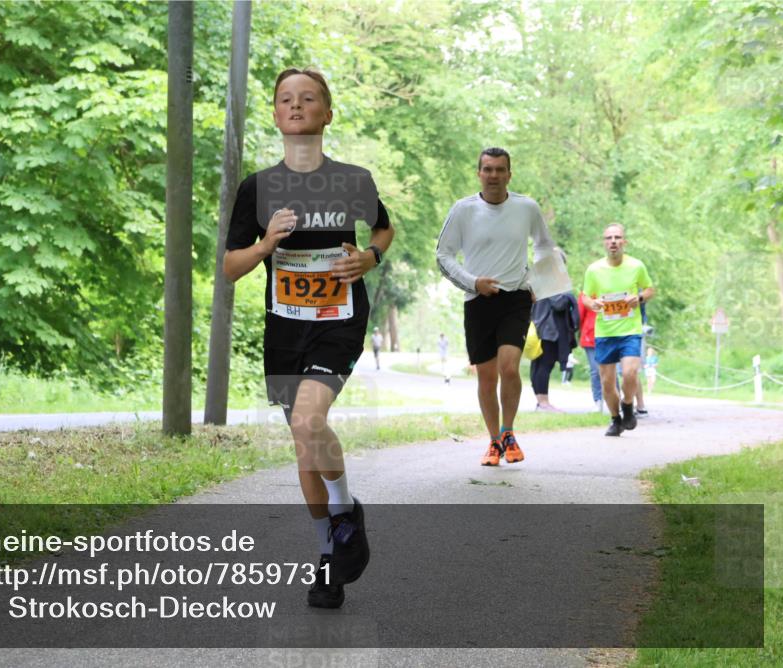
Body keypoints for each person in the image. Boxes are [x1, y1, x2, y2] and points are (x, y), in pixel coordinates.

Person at [223, 68, 394, 608]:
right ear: (275, 114)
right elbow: (230, 267)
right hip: (285, 327)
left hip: (338, 319)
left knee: (308, 420)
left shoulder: (352, 180)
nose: (296, 106)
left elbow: (382, 229)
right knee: (304, 446)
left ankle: (346, 517)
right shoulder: (257, 187)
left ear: (326, 112)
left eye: (309, 98)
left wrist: (372, 255)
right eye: (285, 100)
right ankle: (329, 555)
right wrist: (266, 243)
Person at [436, 147, 556, 466]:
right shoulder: (463, 210)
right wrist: (473, 282)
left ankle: (508, 432)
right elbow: (443, 256)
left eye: (500, 170)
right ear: (479, 173)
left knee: (509, 367)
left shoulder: (526, 207)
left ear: (509, 175)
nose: (493, 176)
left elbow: (546, 247)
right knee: (486, 378)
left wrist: (535, 283)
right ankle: (493, 442)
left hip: (515, 297)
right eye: (487, 169)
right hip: (478, 301)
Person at [581, 224, 655, 437]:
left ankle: (628, 405)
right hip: (605, 331)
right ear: (604, 243)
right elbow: (586, 296)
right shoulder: (594, 269)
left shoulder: (636, 266)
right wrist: (592, 304)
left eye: (617, 237)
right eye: (609, 238)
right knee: (607, 381)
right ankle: (616, 419)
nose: (613, 241)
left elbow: (649, 289)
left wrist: (638, 298)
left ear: (624, 242)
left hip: (630, 329)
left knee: (631, 372)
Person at [529, 290, 579, 412]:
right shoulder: (550, 286)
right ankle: (543, 403)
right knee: (544, 366)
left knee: (538, 366)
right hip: (548, 332)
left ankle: (541, 402)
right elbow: (559, 304)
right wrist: (569, 295)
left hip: (538, 329)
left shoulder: (536, 283)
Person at [577, 290, 605, 412]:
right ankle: (598, 401)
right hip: (590, 336)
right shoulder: (586, 293)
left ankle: (617, 400)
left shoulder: (612, 288)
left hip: (609, 334)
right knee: (595, 370)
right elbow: (579, 315)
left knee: (610, 370)